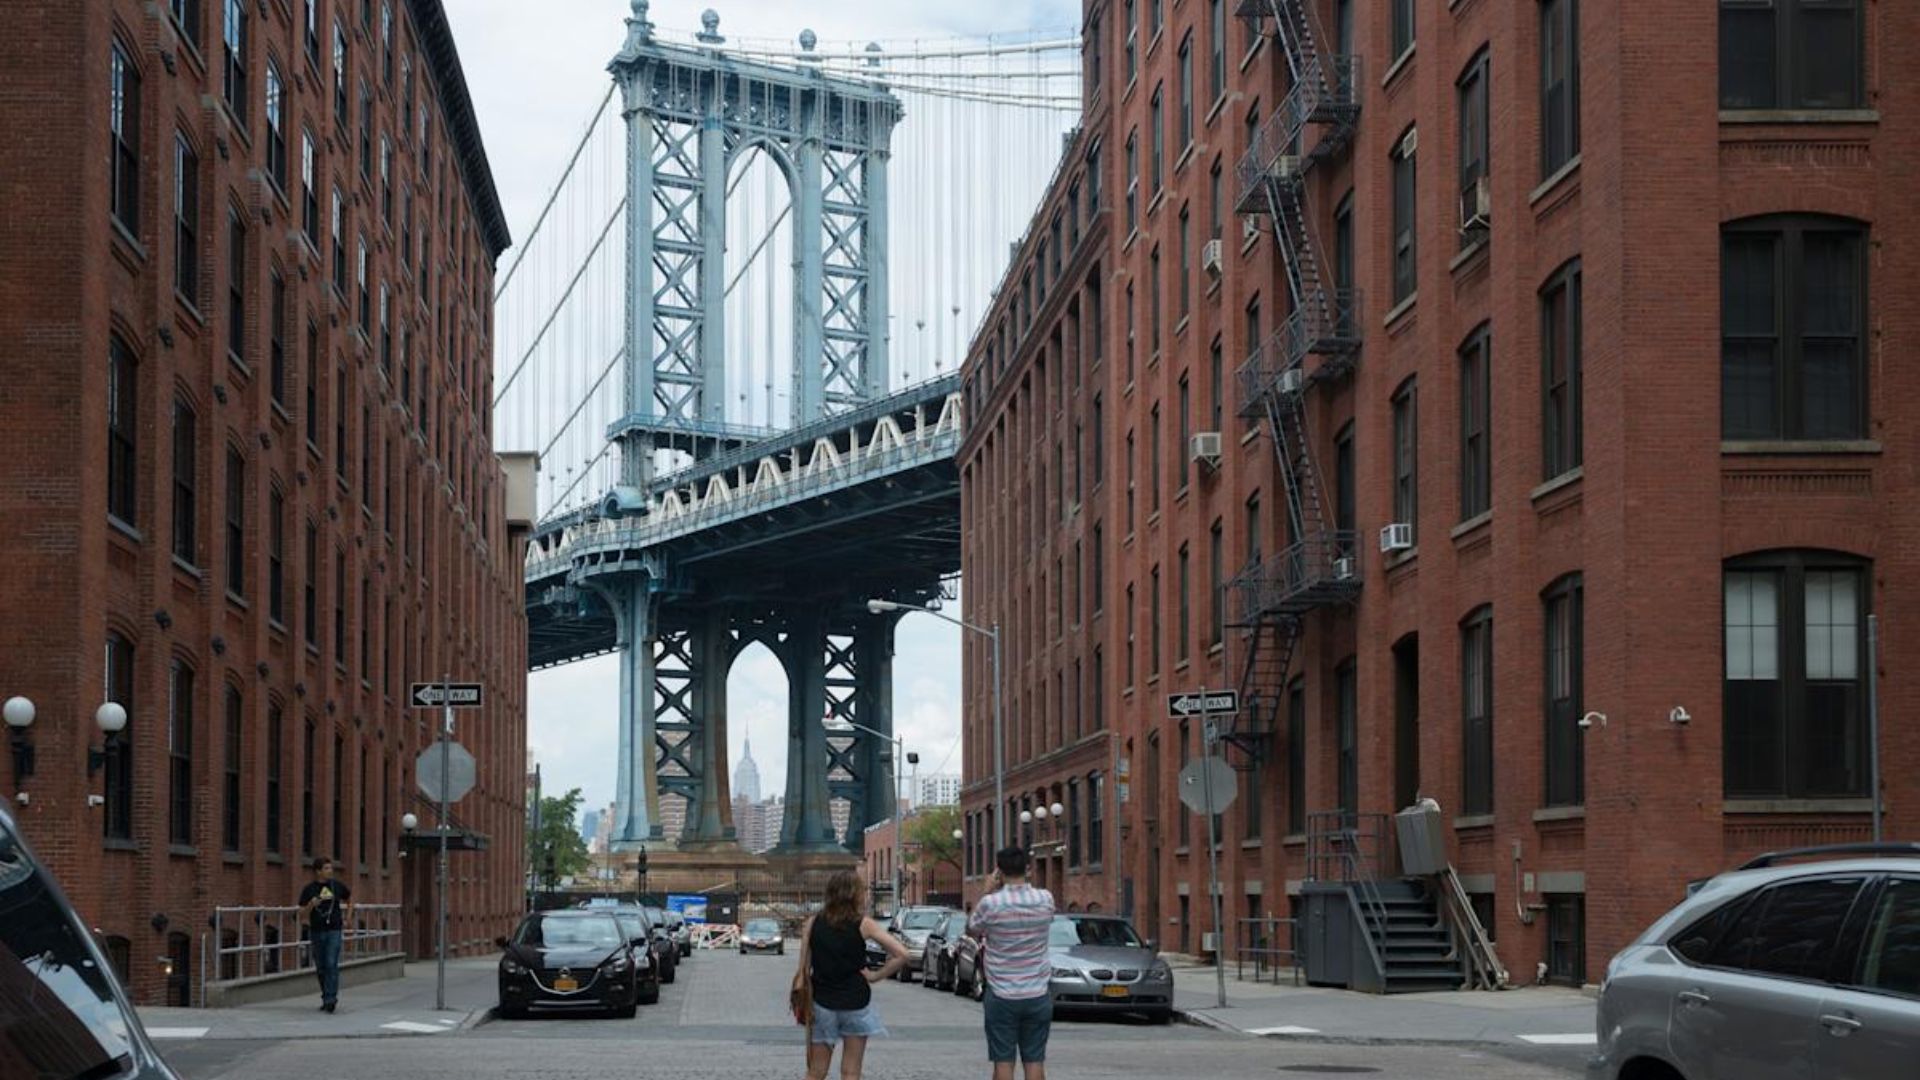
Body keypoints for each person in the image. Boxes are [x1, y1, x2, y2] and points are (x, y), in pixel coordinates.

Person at [795, 871, 910, 1080]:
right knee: (851, 1071)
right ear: (853, 894)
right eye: (863, 890)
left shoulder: (813, 923)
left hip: (822, 1002)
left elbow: (803, 967)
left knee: (816, 1071)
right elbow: (902, 954)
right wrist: (876, 976)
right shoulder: (864, 924)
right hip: (856, 1001)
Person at [968, 847, 1057, 1080]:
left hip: (1001, 993)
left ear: (999, 871)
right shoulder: (1045, 899)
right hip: (1037, 992)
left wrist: (986, 892)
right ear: (1028, 869)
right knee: (1035, 1060)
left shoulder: (991, 904)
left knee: (1003, 1062)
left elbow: (971, 929)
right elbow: (1049, 919)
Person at [297, 856, 353, 1013]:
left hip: (334, 930)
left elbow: (350, 899)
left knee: (331, 963)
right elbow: (301, 913)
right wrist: (311, 905)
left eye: (331, 868)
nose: (330, 871)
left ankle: (331, 999)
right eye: (327, 868)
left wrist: (348, 916)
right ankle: (326, 996)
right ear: (318, 871)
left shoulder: (336, 886)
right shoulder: (309, 889)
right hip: (316, 930)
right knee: (321, 966)